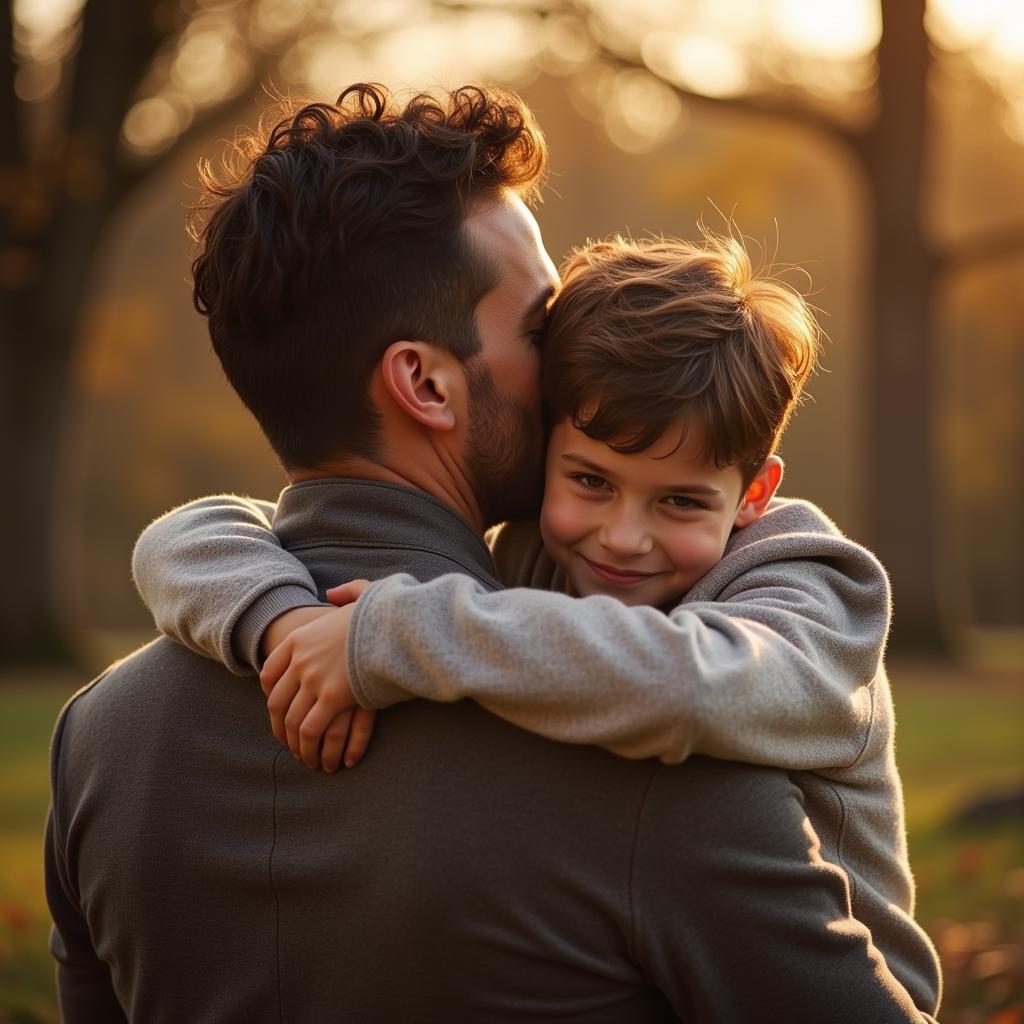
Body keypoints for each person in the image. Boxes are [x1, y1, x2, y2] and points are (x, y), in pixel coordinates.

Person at [49, 83, 934, 1022]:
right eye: (541, 325)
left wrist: (335, 626)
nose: (574, 360)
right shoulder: (646, 762)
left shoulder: (99, 736)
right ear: (426, 383)